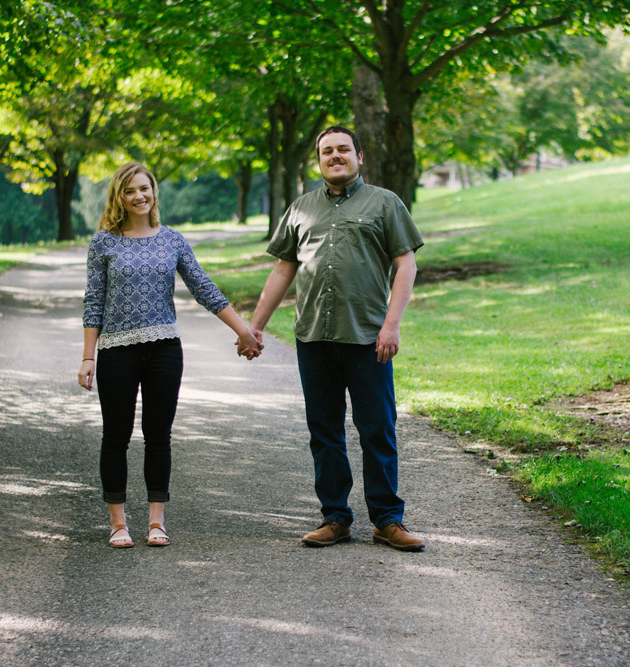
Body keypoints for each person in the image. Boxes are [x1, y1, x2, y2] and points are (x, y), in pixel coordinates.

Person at [250, 126, 425, 552]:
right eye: (326, 151)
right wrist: (255, 325)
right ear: (319, 160)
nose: (335, 156)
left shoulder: (385, 203)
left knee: (377, 429)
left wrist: (392, 324)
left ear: (359, 156)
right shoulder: (300, 209)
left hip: (368, 338)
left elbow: (406, 265)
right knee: (324, 431)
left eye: (343, 149)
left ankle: (387, 520)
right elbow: (282, 271)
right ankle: (335, 518)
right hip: (313, 338)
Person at [79, 162, 260, 548]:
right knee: (116, 436)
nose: (139, 196)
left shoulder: (172, 240)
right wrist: (88, 356)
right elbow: (93, 301)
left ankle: (156, 522)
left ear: (153, 192)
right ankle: (118, 523)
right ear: (119, 197)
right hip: (116, 351)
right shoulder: (104, 242)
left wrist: (243, 330)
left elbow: (203, 287)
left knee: (158, 435)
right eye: (130, 191)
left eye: (144, 189)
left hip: (164, 350)